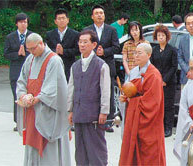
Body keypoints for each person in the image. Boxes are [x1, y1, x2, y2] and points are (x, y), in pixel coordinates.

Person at [15, 33, 71, 165]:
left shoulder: (54, 60)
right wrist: (23, 96)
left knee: (49, 149)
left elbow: (53, 88)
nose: (31, 52)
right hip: (32, 111)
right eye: (29, 50)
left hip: (48, 112)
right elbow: (22, 80)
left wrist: (36, 99)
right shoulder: (30, 59)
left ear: (41, 44)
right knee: (32, 145)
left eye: (33, 49)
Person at [67, 30, 110, 166]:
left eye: (86, 42)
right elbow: (71, 89)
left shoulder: (101, 65)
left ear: (94, 44)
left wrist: (104, 111)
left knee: (96, 150)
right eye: (80, 42)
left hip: (94, 114)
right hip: (79, 113)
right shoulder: (75, 66)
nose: (82, 45)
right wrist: (70, 110)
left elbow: (105, 90)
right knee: (80, 151)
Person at [119, 43, 166, 165]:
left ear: (149, 55)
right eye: (135, 53)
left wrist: (132, 101)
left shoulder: (154, 75)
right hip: (134, 119)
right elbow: (130, 93)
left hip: (149, 124)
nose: (136, 56)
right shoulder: (134, 72)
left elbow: (153, 103)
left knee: (149, 156)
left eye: (139, 53)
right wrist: (125, 97)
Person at [84, 5, 120, 132]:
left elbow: (117, 47)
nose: (99, 15)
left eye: (101, 13)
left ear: (104, 15)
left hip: (107, 64)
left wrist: (104, 51)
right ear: (92, 16)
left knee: (107, 93)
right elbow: (83, 46)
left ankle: (108, 122)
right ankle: (91, 118)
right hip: (91, 65)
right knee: (91, 92)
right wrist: (94, 50)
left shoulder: (111, 30)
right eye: (97, 13)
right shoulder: (87, 30)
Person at [4, 12, 33, 131]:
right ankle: (18, 121)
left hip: (30, 70)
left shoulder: (32, 36)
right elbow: (6, 54)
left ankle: (30, 120)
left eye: (25, 22)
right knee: (17, 96)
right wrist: (17, 54)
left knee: (30, 95)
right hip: (16, 70)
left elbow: (37, 52)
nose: (23, 24)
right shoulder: (10, 37)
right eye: (21, 22)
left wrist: (25, 54)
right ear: (17, 24)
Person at [150, 25, 178, 137]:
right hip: (156, 82)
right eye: (159, 35)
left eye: (163, 35)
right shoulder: (154, 50)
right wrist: (157, 79)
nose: (161, 37)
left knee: (168, 105)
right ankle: (159, 126)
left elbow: (174, 66)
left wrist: (165, 79)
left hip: (169, 82)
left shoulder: (172, 50)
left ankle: (168, 127)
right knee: (157, 105)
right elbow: (152, 65)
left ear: (167, 37)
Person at [45, 8, 79, 81]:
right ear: (55, 21)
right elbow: (46, 50)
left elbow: (78, 50)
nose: (61, 20)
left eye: (63, 18)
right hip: (54, 65)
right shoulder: (49, 34)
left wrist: (64, 51)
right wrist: (55, 51)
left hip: (69, 65)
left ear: (68, 20)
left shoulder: (75, 34)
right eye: (59, 19)